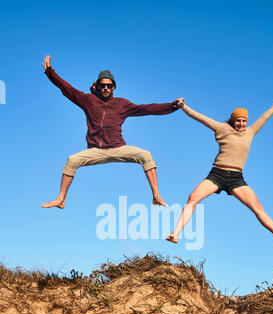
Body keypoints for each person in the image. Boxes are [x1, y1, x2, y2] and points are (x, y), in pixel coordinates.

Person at [41, 55, 182, 209]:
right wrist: (50, 72)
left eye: (109, 85)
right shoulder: (87, 100)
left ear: (114, 87)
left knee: (146, 155)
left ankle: (156, 196)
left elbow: (147, 108)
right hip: (96, 151)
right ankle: (61, 200)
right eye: (102, 85)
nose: (106, 88)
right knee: (72, 160)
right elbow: (66, 88)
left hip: (118, 148)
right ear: (98, 87)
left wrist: (172, 106)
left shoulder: (122, 104)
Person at [167, 99, 273, 247]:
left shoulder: (250, 131)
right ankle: (175, 233)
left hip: (236, 178)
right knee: (192, 198)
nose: (241, 124)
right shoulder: (222, 128)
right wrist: (184, 107)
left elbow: (265, 117)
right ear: (232, 120)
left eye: (244, 121)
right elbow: (200, 117)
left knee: (258, 208)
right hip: (217, 174)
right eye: (238, 120)